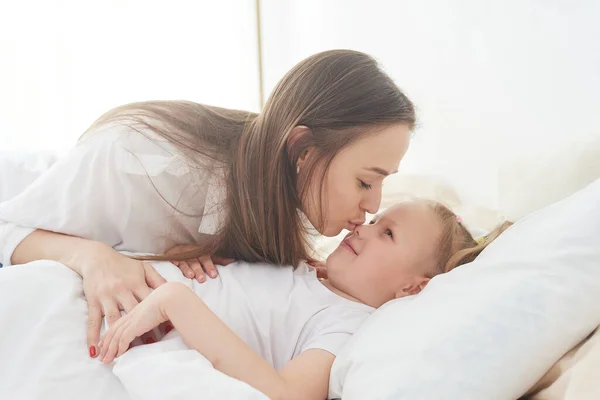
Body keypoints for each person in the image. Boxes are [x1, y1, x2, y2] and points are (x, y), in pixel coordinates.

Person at [0, 50, 416, 357]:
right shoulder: (143, 159)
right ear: (302, 148)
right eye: (365, 181)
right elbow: (8, 229)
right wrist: (94, 257)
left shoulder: (285, 199)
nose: (373, 206)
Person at [98, 201, 512, 399]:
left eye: (386, 234)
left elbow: (286, 395)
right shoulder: (307, 268)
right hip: (118, 287)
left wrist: (176, 301)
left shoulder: (346, 324)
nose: (361, 229)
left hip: (121, 332)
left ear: (412, 288)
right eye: (373, 221)